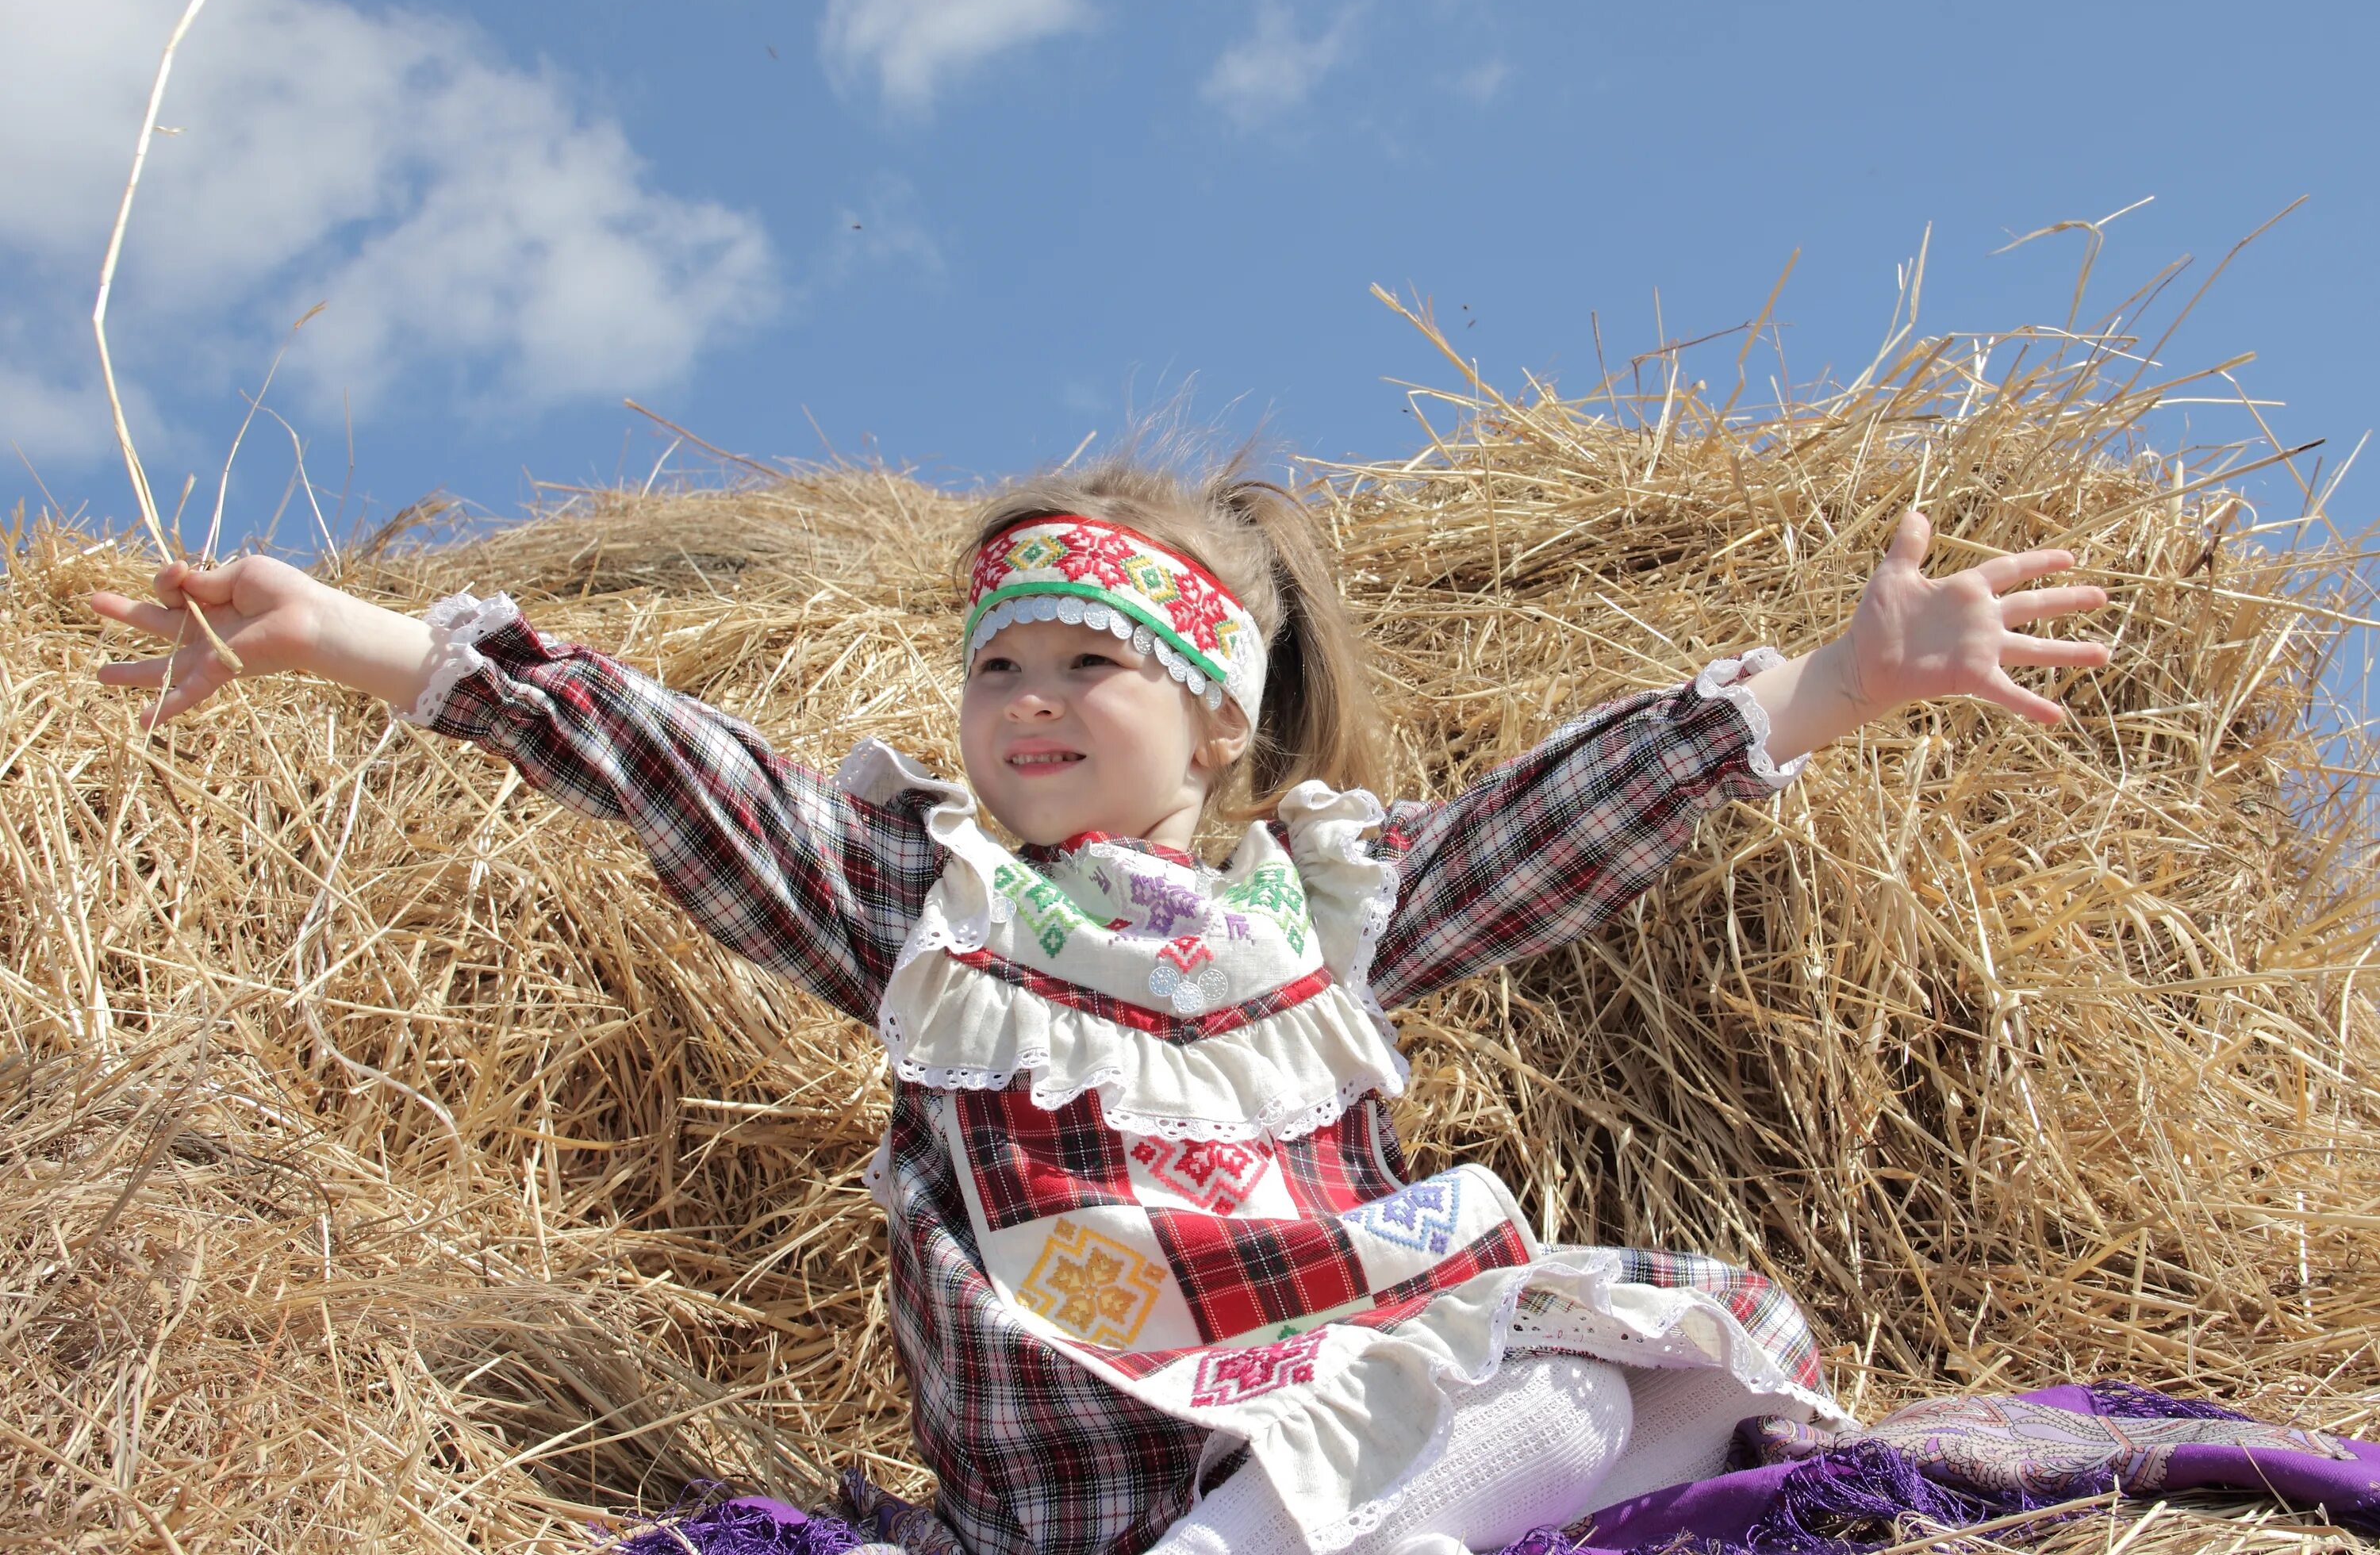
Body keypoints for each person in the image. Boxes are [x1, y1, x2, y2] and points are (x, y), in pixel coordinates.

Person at [88, 456, 2112, 1555]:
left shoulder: (1319, 910)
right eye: (1000, 670)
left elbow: (1551, 830)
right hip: (1077, 1464)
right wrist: (358, 639)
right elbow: (668, 761)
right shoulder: (927, 908)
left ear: (1217, 716)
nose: (1031, 704)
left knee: (1639, 1359)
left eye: (1089, 667)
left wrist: (1835, 689)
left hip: (1327, 1394)